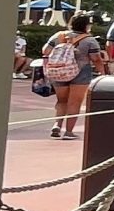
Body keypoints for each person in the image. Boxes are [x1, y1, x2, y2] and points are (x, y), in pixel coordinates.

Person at [41, 11, 100, 141]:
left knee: (62, 100)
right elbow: (95, 58)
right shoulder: (89, 40)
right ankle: (69, 131)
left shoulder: (58, 35)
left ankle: (57, 125)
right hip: (81, 73)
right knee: (75, 102)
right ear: (86, 26)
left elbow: (45, 50)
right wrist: (103, 71)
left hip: (58, 71)